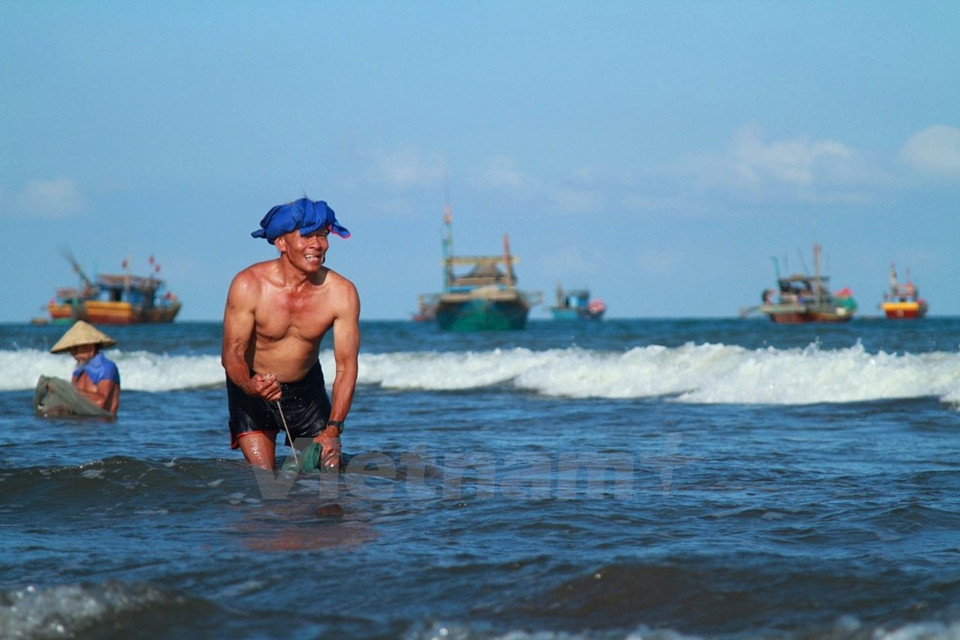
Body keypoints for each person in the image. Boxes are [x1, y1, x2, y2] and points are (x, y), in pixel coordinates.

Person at [222, 197, 360, 471]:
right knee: (265, 482)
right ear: (281, 243)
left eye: (322, 235)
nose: (317, 245)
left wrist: (334, 427)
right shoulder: (248, 285)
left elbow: (346, 368)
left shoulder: (341, 293)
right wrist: (250, 385)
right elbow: (232, 353)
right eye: (307, 235)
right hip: (252, 389)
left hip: (306, 390)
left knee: (328, 480)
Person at [45, 320, 121, 416]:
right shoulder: (78, 372)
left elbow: (101, 404)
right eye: (71, 349)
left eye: (76, 348)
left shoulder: (107, 368)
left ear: (90, 347)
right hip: (80, 425)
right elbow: (72, 402)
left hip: (102, 427)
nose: (73, 353)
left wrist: (65, 390)